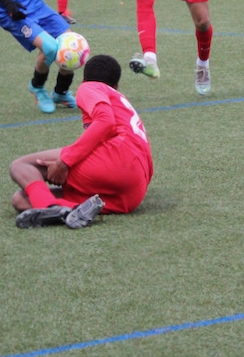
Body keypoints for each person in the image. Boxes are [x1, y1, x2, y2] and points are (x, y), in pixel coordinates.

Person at [8, 54, 154, 229]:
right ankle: (68, 210)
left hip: (117, 160)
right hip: (135, 189)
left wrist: (65, 161)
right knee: (21, 199)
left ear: (84, 79)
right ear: (116, 86)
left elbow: (105, 121)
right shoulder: (122, 102)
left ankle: (49, 207)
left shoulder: (90, 86)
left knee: (21, 166)